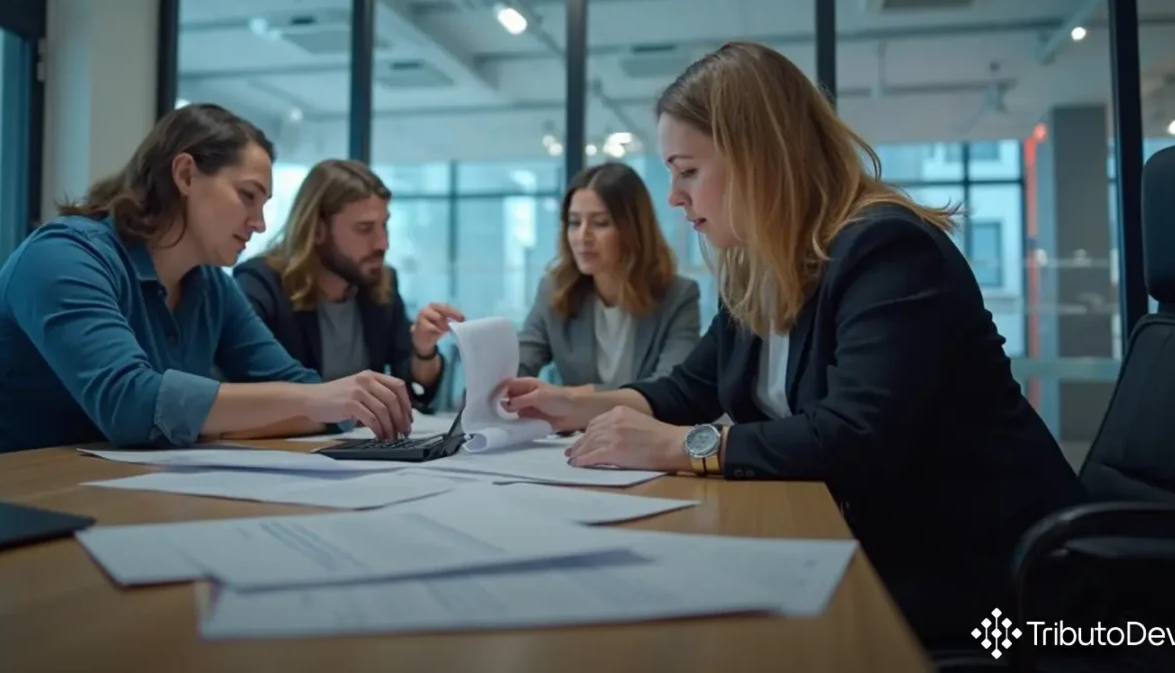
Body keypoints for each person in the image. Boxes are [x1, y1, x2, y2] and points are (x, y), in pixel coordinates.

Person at [499, 42, 1086, 649]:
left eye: (688, 171)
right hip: (872, 541)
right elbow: (688, 388)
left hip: (987, 573)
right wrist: (574, 406)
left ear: (758, 158)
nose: (674, 195)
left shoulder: (886, 249)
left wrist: (681, 446)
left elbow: (857, 433)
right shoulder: (759, 265)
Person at [0, 104, 414, 465]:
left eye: (264, 204)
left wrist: (318, 403)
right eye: (247, 196)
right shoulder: (64, 256)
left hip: (76, 480)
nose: (258, 223)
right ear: (185, 175)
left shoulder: (209, 286)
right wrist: (315, 402)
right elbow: (131, 405)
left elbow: (304, 391)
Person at [232, 159, 461, 425]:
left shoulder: (380, 283)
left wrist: (424, 350)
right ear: (318, 230)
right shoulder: (262, 285)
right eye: (365, 229)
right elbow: (242, 392)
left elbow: (413, 392)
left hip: (357, 441)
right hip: (287, 441)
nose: (383, 243)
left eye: (384, 225)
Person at [518, 161, 700, 392]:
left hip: (645, 419)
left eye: (600, 223)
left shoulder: (678, 296)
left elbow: (670, 388)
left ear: (633, 229)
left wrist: (569, 397)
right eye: (574, 222)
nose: (582, 236)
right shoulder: (555, 291)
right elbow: (520, 362)